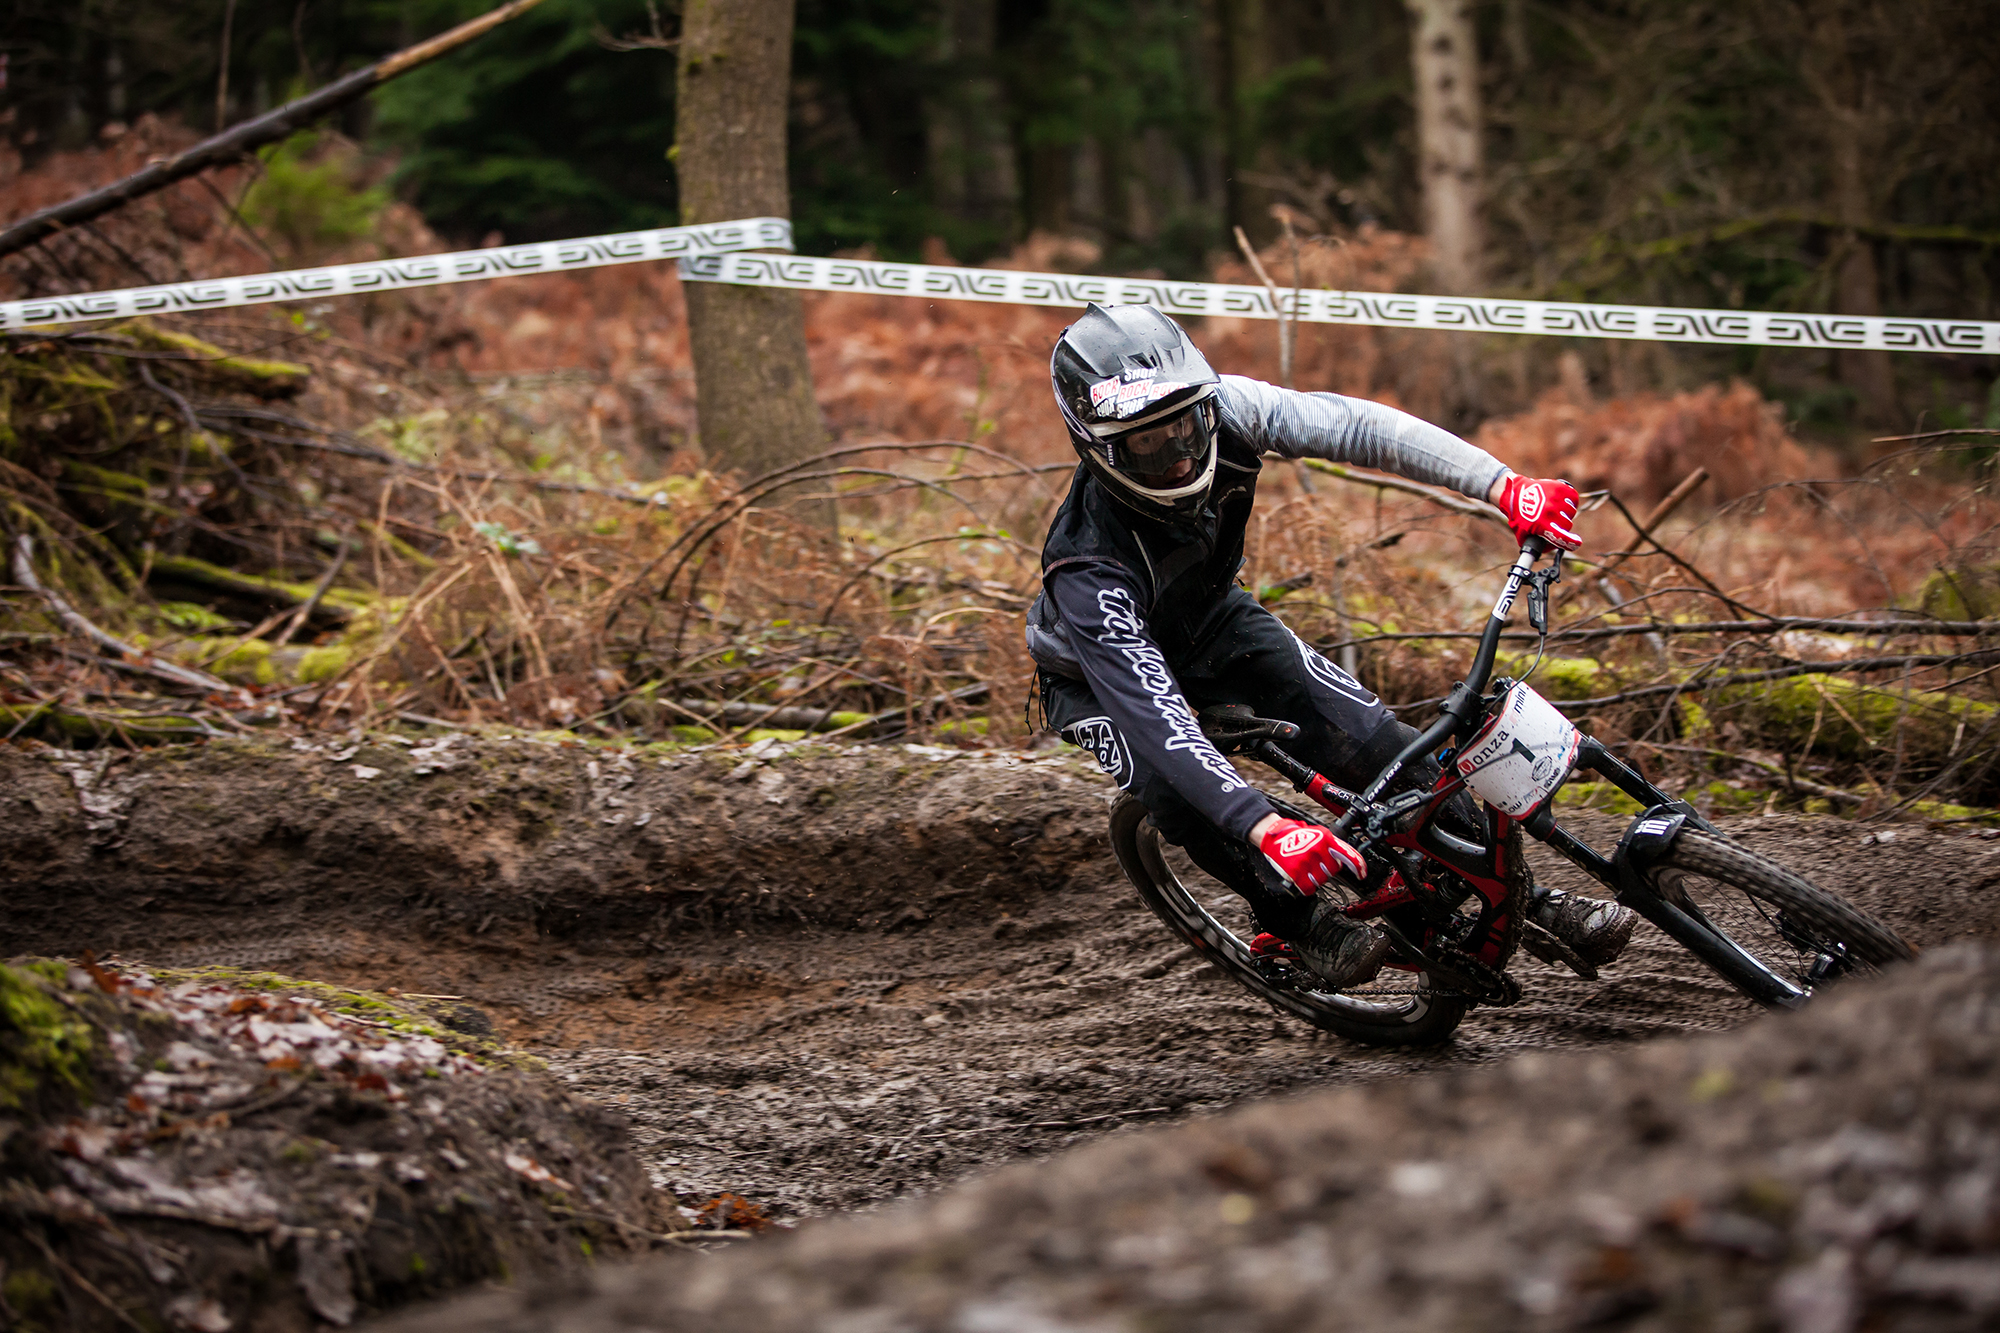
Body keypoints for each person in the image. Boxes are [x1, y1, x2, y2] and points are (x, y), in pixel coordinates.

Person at [1026, 303, 1635, 990]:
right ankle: (1298, 921)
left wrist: (1502, 484)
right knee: (1175, 787)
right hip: (1095, 677)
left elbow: (1358, 426)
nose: (1182, 455)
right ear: (1098, 448)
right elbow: (1157, 719)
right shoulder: (1085, 568)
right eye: (1148, 445)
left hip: (1211, 619)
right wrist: (1265, 826)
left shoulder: (1231, 408)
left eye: (1187, 427)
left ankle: (1525, 899)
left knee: (1371, 737)